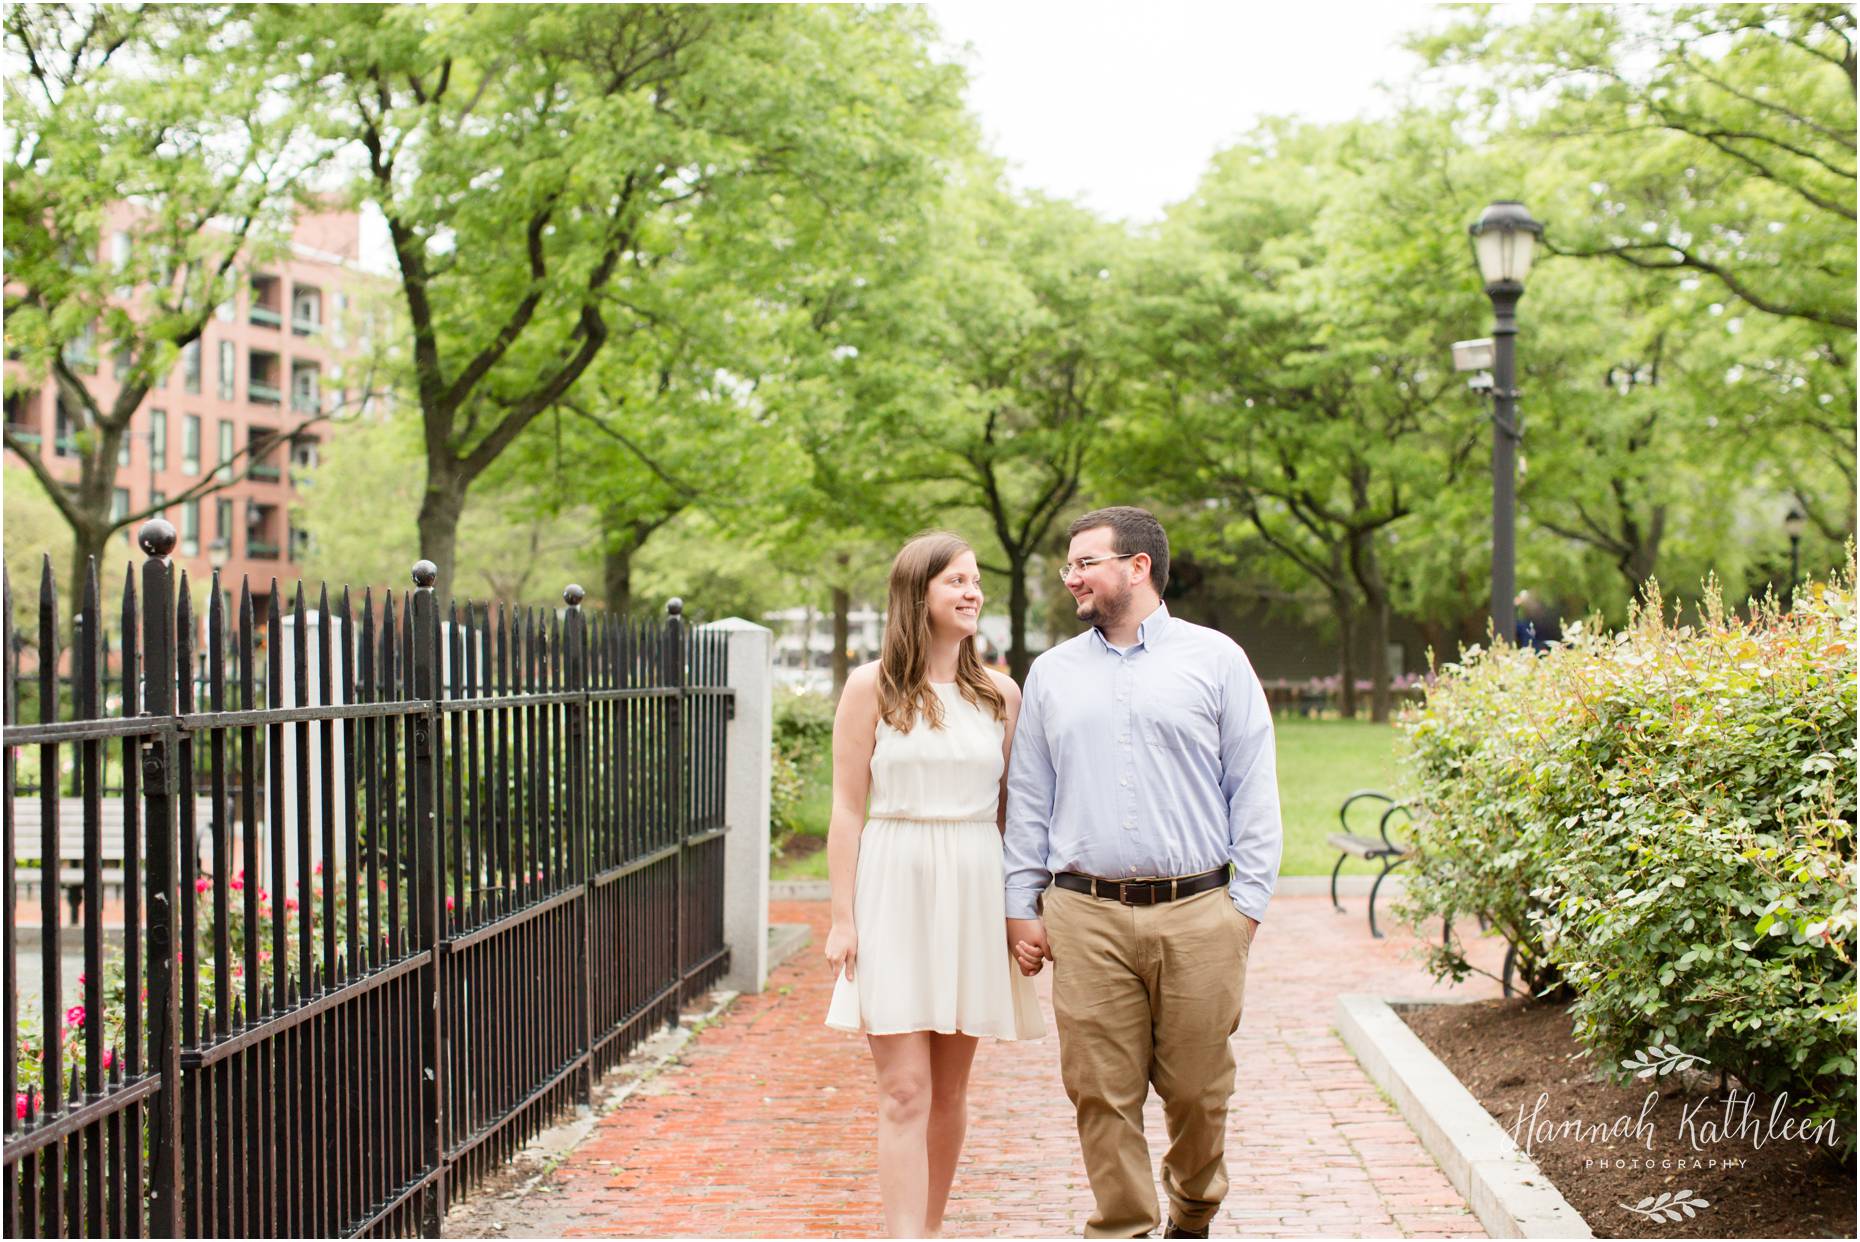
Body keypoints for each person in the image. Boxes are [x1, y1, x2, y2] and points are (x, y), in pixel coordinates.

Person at [1004, 506, 1282, 1240]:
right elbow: (1030, 799)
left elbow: (1254, 789)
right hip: (1084, 911)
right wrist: (1021, 906)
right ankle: (1123, 1226)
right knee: (1100, 1094)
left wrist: (1243, 909)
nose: (1071, 578)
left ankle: (1193, 1210)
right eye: (1068, 565)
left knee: (1197, 1091)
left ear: (1138, 567)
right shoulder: (1053, 675)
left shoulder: (1217, 660)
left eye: (1084, 562)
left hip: (1199, 912)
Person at [824, 531, 1045, 1238]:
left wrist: (1022, 911)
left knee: (949, 1091)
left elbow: (1017, 815)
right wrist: (841, 917)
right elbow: (846, 808)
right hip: (893, 886)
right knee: (903, 1089)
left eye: (976, 580)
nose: (972, 592)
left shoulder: (1001, 695)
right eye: (956, 580)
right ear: (917, 593)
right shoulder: (872, 687)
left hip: (975, 892)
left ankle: (930, 1226)